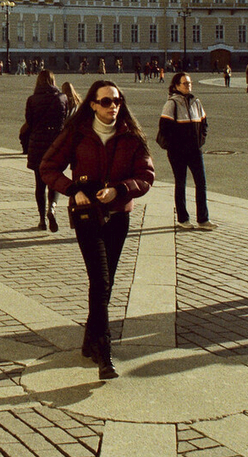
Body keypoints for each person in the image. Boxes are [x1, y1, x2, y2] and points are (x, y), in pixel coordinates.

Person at [40, 81, 154, 380]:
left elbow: (146, 175)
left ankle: (90, 340)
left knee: (106, 282)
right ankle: (104, 352)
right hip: (87, 214)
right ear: (92, 103)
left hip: (118, 215)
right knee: (100, 280)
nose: (111, 106)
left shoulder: (130, 135)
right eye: (105, 101)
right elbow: (48, 166)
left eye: (116, 101)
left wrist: (121, 190)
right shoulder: (77, 133)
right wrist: (72, 189)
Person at [158, 72, 212, 230]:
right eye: (185, 83)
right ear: (176, 86)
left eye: (189, 83)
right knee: (180, 183)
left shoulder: (196, 102)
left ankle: (203, 219)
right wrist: (176, 145)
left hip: (195, 150)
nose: (188, 85)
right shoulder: (172, 104)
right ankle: (183, 218)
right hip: (178, 152)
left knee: (201, 183)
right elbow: (164, 128)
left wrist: (200, 140)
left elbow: (204, 124)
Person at [24, 70, 70, 232]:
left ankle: (42, 220)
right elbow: (64, 120)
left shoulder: (32, 100)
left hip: (37, 143)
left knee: (39, 183)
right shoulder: (62, 98)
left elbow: (29, 122)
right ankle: (52, 208)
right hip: (55, 144)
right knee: (54, 180)